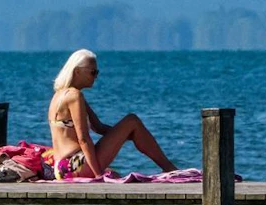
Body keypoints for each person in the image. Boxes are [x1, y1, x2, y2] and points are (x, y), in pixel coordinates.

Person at [46, 49, 178, 179]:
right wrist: (98, 175)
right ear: (77, 71)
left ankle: (168, 167)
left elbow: (98, 127)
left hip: (61, 167)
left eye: (97, 72)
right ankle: (169, 168)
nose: (96, 76)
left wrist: (128, 135)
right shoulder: (75, 96)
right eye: (93, 72)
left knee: (131, 126)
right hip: (74, 164)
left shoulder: (60, 95)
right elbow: (83, 139)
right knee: (132, 120)